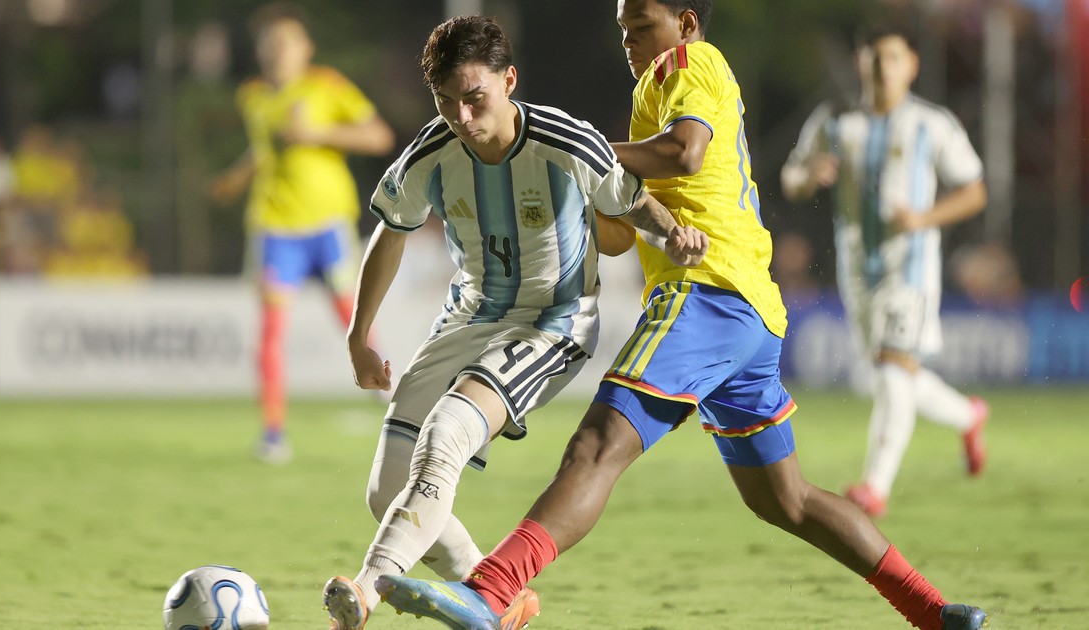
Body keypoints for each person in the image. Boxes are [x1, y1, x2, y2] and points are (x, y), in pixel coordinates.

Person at [372, 2, 988, 629]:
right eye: (623, 29)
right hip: (748, 305)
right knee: (788, 500)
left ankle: (490, 591)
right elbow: (622, 233)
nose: (630, 41)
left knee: (596, 447)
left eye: (643, 26)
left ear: (687, 24)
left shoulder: (687, 64)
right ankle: (935, 610)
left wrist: (570, 151)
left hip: (706, 294)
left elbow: (685, 152)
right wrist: (580, 196)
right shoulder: (657, 89)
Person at [320, 15, 705, 630]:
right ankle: (501, 599)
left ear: (509, 80)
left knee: (447, 431)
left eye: (474, 98)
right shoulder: (432, 151)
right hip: (469, 315)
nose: (462, 117)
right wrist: (358, 332)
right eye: (446, 101)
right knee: (386, 488)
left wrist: (675, 236)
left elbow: (632, 204)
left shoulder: (567, 142)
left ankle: (364, 590)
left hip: (553, 322)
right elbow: (391, 232)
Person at [780, 22, 990, 518]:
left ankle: (874, 487)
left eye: (893, 58)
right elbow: (791, 177)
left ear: (911, 65)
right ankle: (968, 415)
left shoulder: (931, 124)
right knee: (888, 379)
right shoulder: (835, 120)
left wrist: (923, 218)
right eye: (875, 59)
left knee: (894, 369)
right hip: (857, 272)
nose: (883, 69)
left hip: (910, 270)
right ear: (860, 63)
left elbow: (974, 191)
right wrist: (809, 176)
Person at [210, 2, 395, 464]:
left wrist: (317, 134)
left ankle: (389, 398)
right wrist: (237, 177)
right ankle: (273, 434)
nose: (277, 50)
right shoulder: (252, 95)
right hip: (275, 227)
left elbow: (379, 136)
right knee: (271, 331)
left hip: (327, 223)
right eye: (269, 43)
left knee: (352, 319)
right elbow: (264, 149)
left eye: (286, 42)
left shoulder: (327, 86)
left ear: (305, 48)